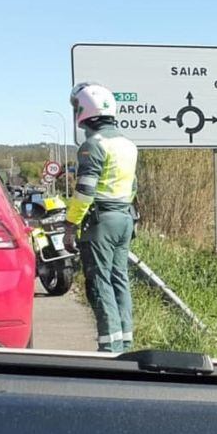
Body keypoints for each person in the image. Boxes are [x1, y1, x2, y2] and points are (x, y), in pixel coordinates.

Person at [64, 82, 139, 352]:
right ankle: (125, 341)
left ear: (83, 111)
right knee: (119, 278)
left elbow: (85, 191)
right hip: (124, 218)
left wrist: (70, 226)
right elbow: (133, 187)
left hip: (101, 221)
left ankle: (109, 347)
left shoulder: (92, 145)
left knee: (99, 280)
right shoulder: (128, 145)